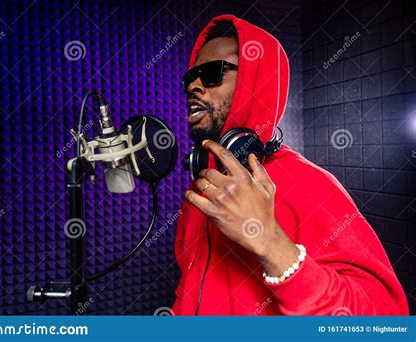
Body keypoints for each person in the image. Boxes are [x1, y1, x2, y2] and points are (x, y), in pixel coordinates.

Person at [172, 14, 409, 315]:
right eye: (189, 77)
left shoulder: (311, 185)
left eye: (211, 73)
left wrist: (270, 242)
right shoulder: (202, 188)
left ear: (253, 82)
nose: (193, 85)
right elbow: (188, 286)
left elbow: (385, 320)